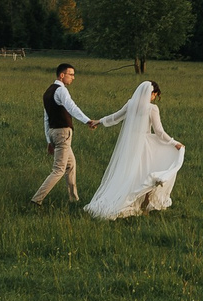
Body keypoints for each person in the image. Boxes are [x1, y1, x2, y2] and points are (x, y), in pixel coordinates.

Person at [81, 79, 186, 220]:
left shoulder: (131, 104)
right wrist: (174, 143)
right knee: (148, 173)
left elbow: (115, 117)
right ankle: (144, 203)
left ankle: (137, 201)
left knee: (133, 173)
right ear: (152, 93)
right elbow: (159, 132)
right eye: (154, 95)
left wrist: (98, 121)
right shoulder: (152, 108)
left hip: (130, 145)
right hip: (144, 145)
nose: (154, 98)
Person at [32, 63, 122, 206]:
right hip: (62, 133)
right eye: (71, 74)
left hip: (54, 133)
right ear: (62, 75)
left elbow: (46, 118)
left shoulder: (48, 92)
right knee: (59, 170)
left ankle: (74, 199)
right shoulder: (61, 91)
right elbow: (72, 107)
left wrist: (49, 140)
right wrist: (87, 121)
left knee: (71, 165)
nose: (73, 78)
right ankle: (36, 200)